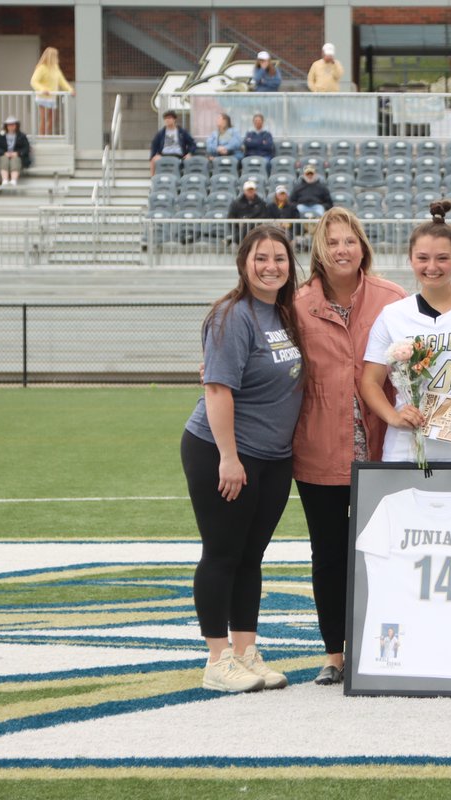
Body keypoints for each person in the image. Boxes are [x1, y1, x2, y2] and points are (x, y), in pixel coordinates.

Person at [182, 225, 304, 694]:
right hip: (224, 451)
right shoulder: (232, 316)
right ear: (243, 263)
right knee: (222, 553)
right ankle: (217, 658)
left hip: (274, 456)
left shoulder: (283, 315)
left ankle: (245, 649)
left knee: (251, 556)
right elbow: (217, 389)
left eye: (279, 257)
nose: (270, 265)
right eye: (260, 258)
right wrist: (229, 458)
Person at [291, 208, 406, 685]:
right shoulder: (296, 304)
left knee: (383, 553)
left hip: (384, 451)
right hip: (319, 448)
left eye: (349, 241)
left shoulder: (392, 298)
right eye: (331, 242)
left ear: (363, 247)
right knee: (329, 554)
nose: (341, 250)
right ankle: (334, 653)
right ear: (319, 250)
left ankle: (387, 646)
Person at [359, 200, 451, 464]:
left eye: (442, 258)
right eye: (423, 258)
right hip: (405, 448)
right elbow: (370, 381)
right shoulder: (393, 314)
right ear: (410, 260)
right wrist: (394, 417)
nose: (432, 267)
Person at [30, 46, 73, 137]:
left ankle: (47, 135)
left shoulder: (55, 68)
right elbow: (34, 81)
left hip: (52, 98)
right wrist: (42, 89)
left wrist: (70, 90)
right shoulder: (42, 68)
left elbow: (62, 81)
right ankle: (42, 137)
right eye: (55, 55)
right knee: (43, 118)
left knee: (52, 119)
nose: (57, 57)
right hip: (43, 97)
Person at [150, 109, 196, 176]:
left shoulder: (182, 132)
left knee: (188, 161)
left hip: (178, 155)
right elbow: (154, 145)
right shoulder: (161, 133)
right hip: (164, 155)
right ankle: (154, 180)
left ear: (174, 119)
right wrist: (154, 155)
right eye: (165, 118)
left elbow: (192, 143)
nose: (167, 120)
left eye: (169, 118)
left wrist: (190, 153)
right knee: (153, 160)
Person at [0, 116, 32, 187]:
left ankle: (13, 181)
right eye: (9, 125)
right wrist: (4, 153)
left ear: (16, 126)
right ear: (6, 126)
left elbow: (26, 148)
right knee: (4, 159)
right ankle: (5, 180)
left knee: (15, 160)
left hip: (17, 156)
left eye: (13, 125)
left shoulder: (22, 136)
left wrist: (18, 153)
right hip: (4, 155)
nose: (11, 127)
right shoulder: (1, 135)